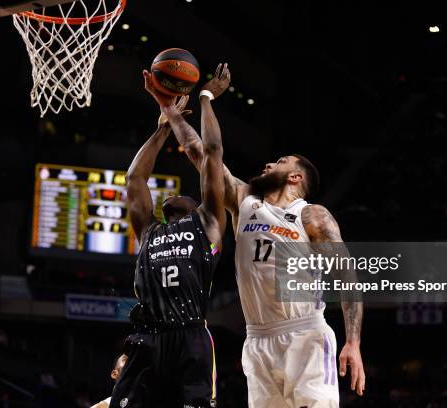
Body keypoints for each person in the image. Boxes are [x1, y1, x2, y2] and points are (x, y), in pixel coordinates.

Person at [152, 63, 365, 408]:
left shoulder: (312, 216)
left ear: (296, 178)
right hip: (257, 339)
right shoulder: (244, 201)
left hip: (305, 334)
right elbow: (200, 154)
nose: (268, 165)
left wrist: (352, 342)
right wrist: (171, 113)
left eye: (279, 162)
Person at [109, 64, 230, 408]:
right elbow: (134, 179)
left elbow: (212, 154)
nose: (174, 195)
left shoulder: (206, 223)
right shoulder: (149, 229)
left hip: (190, 336)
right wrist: (162, 129)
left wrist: (206, 99)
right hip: (148, 336)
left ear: (196, 204)